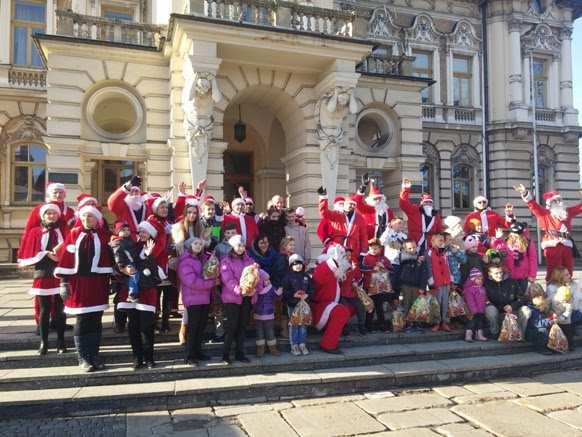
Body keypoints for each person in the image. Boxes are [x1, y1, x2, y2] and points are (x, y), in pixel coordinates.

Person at [55, 205, 113, 372]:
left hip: (98, 284)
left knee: (96, 320)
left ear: (97, 219)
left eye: (91, 216)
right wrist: (64, 282)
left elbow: (110, 258)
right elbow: (66, 258)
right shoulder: (74, 234)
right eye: (85, 216)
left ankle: (94, 355)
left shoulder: (103, 235)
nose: (87, 219)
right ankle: (83, 357)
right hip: (79, 284)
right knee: (82, 320)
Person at [18, 203, 66, 355]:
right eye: (48, 213)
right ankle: (44, 342)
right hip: (43, 273)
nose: (51, 216)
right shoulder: (35, 232)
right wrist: (46, 254)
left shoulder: (64, 230)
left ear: (58, 215)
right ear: (43, 216)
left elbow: (71, 249)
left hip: (60, 272)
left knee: (59, 310)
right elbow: (30, 252)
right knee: (44, 309)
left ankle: (61, 341)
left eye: (54, 213)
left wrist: (60, 254)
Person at [115, 221, 161, 370]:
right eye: (140, 231)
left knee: (147, 326)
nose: (141, 234)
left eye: (145, 232)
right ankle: (137, 358)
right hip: (132, 290)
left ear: (151, 234)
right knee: (133, 325)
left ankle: (149, 358)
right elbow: (125, 265)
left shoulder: (156, 247)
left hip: (148, 290)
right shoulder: (133, 246)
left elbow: (155, 270)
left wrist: (148, 256)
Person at [514, 184, 582, 280]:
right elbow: (533, 205)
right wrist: (525, 193)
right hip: (552, 244)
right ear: (550, 203)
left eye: (560, 200)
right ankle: (552, 290)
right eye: (556, 200)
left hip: (566, 244)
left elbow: (580, 208)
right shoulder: (544, 213)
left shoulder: (567, 212)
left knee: (568, 270)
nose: (559, 202)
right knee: (554, 270)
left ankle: (568, 289)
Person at [178, 237, 216, 366]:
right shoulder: (185, 261)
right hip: (192, 298)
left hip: (205, 298)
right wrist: (211, 283)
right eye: (195, 243)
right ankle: (189, 355)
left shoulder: (204, 258)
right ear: (189, 245)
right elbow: (191, 281)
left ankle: (198, 351)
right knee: (193, 328)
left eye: (200, 244)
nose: (198, 245)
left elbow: (209, 272)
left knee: (201, 327)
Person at [311, 245, 355, 354]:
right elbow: (315, 288)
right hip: (319, 307)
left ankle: (332, 330)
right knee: (342, 312)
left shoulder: (335, 268)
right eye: (343, 255)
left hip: (329, 303)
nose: (346, 258)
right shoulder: (324, 268)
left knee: (352, 307)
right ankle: (328, 344)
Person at [219, 235, 256, 364]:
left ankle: (240, 353)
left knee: (242, 326)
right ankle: (225, 354)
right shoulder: (226, 261)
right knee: (231, 327)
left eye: (242, 245)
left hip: (246, 298)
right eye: (238, 245)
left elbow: (256, 275)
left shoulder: (249, 260)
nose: (241, 248)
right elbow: (228, 279)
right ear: (232, 247)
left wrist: (259, 283)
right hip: (232, 298)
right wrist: (240, 290)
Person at [317, 186, 368, 261]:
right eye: (350, 204)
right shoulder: (337, 214)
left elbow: (363, 236)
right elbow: (324, 212)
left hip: (353, 249)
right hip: (337, 247)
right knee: (335, 269)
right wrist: (323, 198)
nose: (352, 206)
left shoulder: (359, 218)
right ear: (345, 204)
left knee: (352, 270)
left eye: (354, 205)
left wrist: (363, 252)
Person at [491, 222, 537, 294]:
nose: (515, 236)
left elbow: (533, 259)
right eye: (513, 233)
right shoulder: (506, 241)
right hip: (509, 274)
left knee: (521, 294)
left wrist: (532, 274)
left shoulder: (528, 242)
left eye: (518, 234)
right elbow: (496, 248)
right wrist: (497, 239)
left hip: (523, 275)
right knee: (510, 295)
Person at [484, 265, 530, 338]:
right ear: (490, 274)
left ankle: (521, 334)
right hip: (496, 309)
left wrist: (512, 306)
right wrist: (494, 306)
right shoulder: (486, 283)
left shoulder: (511, 281)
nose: (499, 275)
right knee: (490, 310)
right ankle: (494, 333)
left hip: (512, 308)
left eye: (501, 272)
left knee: (526, 310)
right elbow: (484, 299)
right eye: (496, 273)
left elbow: (522, 298)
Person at [399, 179, 443, 253]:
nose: (428, 204)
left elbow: (438, 231)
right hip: (413, 245)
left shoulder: (436, 216)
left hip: (429, 246)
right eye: (426, 202)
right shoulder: (415, 210)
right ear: (422, 203)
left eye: (430, 202)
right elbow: (403, 204)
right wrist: (405, 189)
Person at [282, 254, 314, 355]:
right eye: (295, 264)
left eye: (300, 263)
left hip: (304, 305)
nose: (298, 266)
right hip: (292, 304)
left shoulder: (306, 277)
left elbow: (312, 289)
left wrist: (307, 295)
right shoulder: (287, 277)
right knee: (294, 325)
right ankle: (294, 345)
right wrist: (293, 295)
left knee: (303, 324)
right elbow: (285, 292)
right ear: (291, 265)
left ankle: (302, 344)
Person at [361, 238, 393, 332]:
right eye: (372, 248)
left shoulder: (384, 259)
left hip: (380, 288)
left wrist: (384, 267)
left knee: (379, 307)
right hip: (369, 287)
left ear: (380, 249)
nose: (374, 250)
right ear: (369, 248)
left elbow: (392, 271)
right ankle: (368, 326)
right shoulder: (366, 258)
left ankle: (382, 325)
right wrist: (373, 268)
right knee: (370, 307)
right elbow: (362, 268)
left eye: (376, 248)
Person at [395, 239, 429, 319]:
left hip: (417, 286)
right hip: (405, 286)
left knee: (416, 305)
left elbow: (424, 274)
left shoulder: (420, 259)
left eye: (414, 247)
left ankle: (415, 322)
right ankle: (406, 322)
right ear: (404, 249)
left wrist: (422, 287)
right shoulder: (402, 259)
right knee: (406, 304)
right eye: (409, 248)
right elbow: (398, 273)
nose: (412, 249)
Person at [426, 233, 453, 332]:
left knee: (445, 303)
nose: (442, 242)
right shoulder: (429, 252)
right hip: (436, 283)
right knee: (437, 303)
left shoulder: (445, 252)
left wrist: (451, 280)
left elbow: (448, 266)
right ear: (433, 242)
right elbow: (428, 267)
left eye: (443, 240)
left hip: (445, 281)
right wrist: (431, 282)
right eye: (440, 240)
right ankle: (436, 322)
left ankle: (444, 322)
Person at [354, 174, 394, 239]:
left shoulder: (388, 211)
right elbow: (357, 202)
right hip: (370, 240)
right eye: (375, 199)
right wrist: (363, 187)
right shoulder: (367, 209)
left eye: (379, 198)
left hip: (385, 241)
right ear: (370, 199)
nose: (378, 200)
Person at [253, 272, 282, 357]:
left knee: (270, 331)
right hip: (258, 314)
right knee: (259, 332)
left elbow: (276, 297)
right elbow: (253, 301)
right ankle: (260, 349)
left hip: (269, 313)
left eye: (268, 279)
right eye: (265, 280)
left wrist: (279, 293)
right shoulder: (256, 290)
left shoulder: (271, 288)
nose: (268, 281)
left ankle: (273, 348)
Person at [339, 248, 366, 335]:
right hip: (342, 293)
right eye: (346, 255)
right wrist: (351, 271)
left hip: (352, 293)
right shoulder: (340, 265)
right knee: (345, 308)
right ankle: (345, 327)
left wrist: (356, 282)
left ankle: (362, 326)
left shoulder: (354, 265)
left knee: (360, 306)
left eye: (349, 255)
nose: (348, 257)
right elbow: (340, 279)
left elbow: (360, 277)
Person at [463, 268, 488, 342]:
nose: (480, 281)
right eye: (478, 279)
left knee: (480, 323)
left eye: (481, 279)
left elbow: (485, 298)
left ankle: (479, 335)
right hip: (473, 311)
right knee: (471, 322)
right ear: (473, 279)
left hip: (481, 310)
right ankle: (468, 335)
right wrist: (473, 310)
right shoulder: (470, 289)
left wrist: (486, 303)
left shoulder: (482, 288)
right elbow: (470, 301)